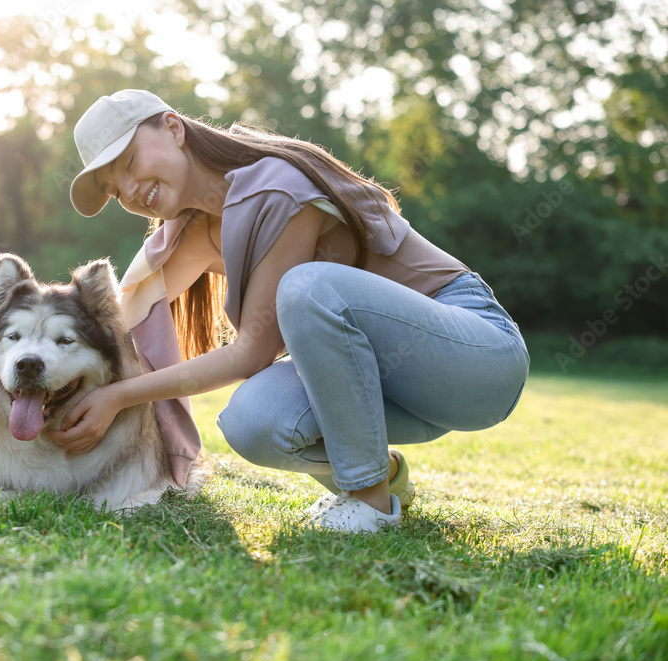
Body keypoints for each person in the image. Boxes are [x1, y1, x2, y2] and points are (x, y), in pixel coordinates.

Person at [48, 89, 530, 534]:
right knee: (252, 421)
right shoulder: (186, 235)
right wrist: (44, 379)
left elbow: (250, 354)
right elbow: (119, 315)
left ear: (174, 128)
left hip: (477, 358)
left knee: (306, 287)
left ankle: (369, 500)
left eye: (130, 162)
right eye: (114, 189)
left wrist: (119, 397)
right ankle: (386, 473)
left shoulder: (276, 188)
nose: (129, 190)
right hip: (390, 384)